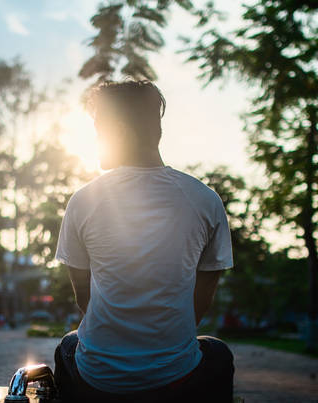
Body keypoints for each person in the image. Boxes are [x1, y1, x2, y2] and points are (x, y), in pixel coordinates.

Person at [54, 80, 236, 402]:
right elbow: (199, 303)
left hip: (98, 379)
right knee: (218, 352)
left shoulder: (83, 201)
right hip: (175, 378)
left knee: (68, 344)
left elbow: (84, 299)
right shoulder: (205, 200)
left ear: (120, 131)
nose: (96, 141)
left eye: (99, 131)